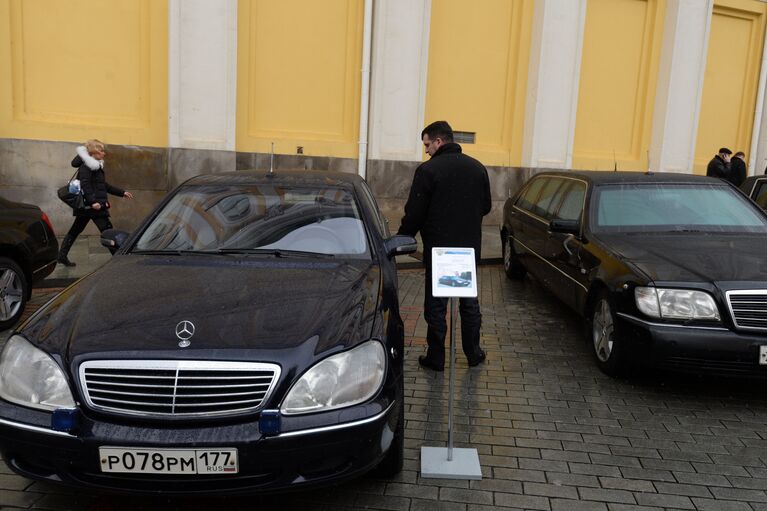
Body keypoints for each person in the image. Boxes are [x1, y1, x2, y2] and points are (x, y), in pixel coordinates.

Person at [397, 121, 491, 371]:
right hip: (467, 251)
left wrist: (403, 238)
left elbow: (415, 212)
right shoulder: (478, 168)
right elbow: (486, 207)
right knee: (469, 303)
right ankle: (473, 353)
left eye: (427, 144)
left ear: (439, 142)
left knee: (436, 305)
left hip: (439, 250)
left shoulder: (428, 171)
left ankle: (436, 357)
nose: (426, 150)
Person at [57, 140, 134, 267]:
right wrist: (93, 202)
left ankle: (62, 255)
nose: (104, 153)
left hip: (90, 207)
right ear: (94, 153)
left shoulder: (95, 165)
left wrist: (122, 192)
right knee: (108, 231)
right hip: (94, 206)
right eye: (102, 151)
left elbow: (103, 185)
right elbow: (85, 185)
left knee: (76, 230)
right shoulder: (87, 167)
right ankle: (119, 260)